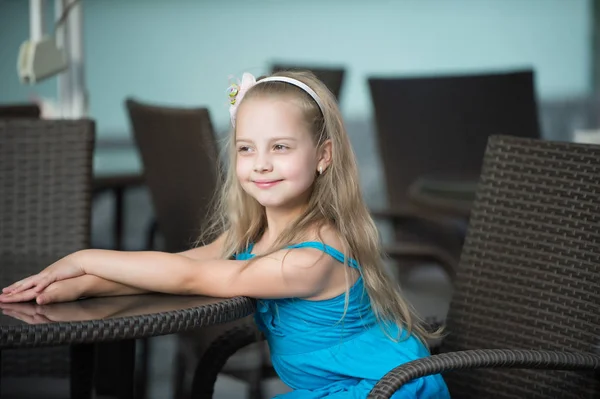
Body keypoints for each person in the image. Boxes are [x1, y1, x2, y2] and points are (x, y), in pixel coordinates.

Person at [0, 71, 449, 398]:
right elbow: (189, 264)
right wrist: (83, 286)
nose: (262, 163)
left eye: (281, 147)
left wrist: (85, 257)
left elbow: (189, 279)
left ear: (323, 156)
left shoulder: (311, 258)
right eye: (246, 148)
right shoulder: (255, 235)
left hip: (385, 391)